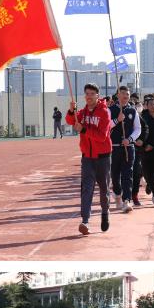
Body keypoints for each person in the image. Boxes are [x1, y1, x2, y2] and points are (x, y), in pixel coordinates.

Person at [66, 83, 113, 236]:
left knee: (104, 189)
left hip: (103, 157)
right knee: (86, 189)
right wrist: (71, 110)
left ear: (97, 96)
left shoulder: (104, 112)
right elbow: (70, 121)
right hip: (87, 157)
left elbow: (102, 136)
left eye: (92, 94)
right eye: (87, 94)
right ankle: (85, 221)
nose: (89, 96)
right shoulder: (82, 112)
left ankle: (105, 213)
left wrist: (84, 129)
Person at [108, 86, 141, 212]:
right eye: (122, 93)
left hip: (128, 148)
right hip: (114, 148)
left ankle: (127, 200)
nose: (125, 96)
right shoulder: (110, 110)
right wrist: (117, 120)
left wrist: (130, 139)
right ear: (118, 95)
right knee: (115, 175)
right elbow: (106, 126)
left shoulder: (133, 111)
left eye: (127, 94)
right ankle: (117, 195)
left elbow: (138, 129)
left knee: (128, 174)